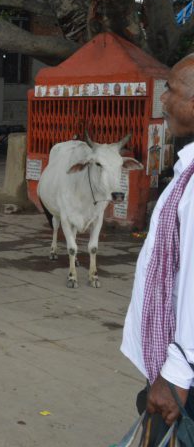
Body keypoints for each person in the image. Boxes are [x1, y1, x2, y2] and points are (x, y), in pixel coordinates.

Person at [121, 54, 194, 444]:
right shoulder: (187, 171)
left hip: (183, 374)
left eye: (172, 90)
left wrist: (175, 376)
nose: (163, 101)